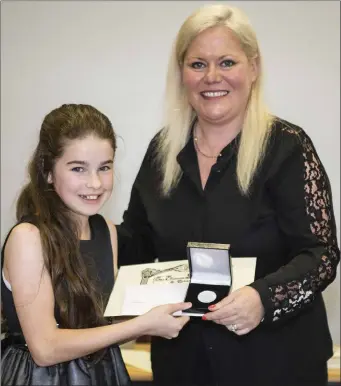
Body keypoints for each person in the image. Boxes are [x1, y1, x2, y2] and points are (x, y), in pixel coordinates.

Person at [117, 4, 340, 386]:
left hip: (278, 364)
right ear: (182, 73)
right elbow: (136, 243)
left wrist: (262, 299)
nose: (212, 76)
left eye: (227, 62)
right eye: (198, 64)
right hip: (183, 364)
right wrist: (75, 227)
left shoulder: (287, 147)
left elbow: (322, 254)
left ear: (253, 68)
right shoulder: (162, 152)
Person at [1, 104, 191, 386]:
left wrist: (161, 310)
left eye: (105, 168)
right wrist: (143, 324)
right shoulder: (29, 237)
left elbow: (100, 328)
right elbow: (45, 348)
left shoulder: (106, 231)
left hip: (102, 373)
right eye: (78, 169)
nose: (95, 183)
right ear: (48, 171)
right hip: (40, 378)